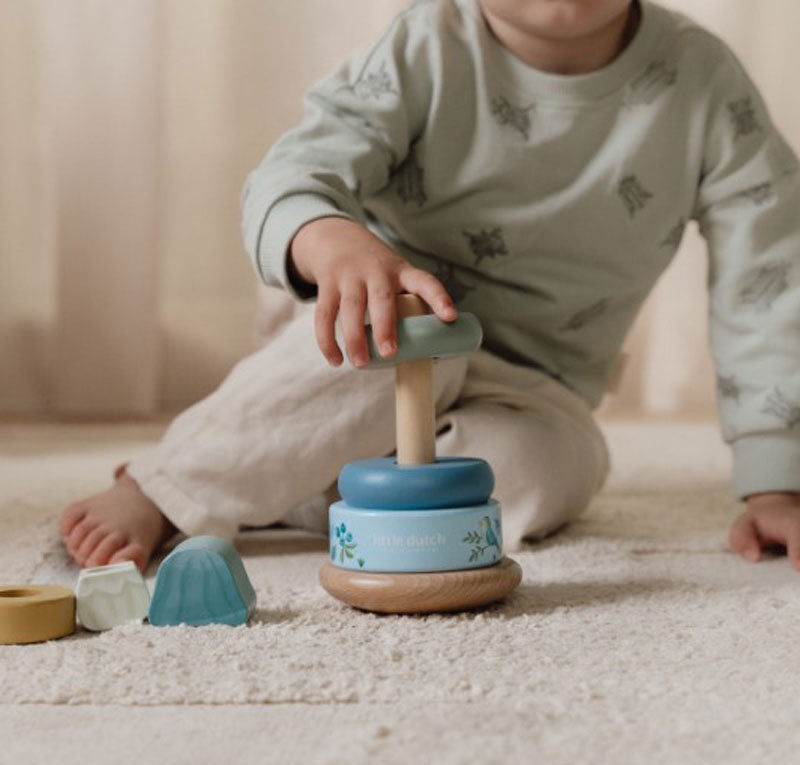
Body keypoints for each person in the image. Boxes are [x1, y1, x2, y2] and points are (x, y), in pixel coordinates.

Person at [60, 0, 800, 573]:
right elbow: (294, 174)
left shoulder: (705, 83)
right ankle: (171, 485)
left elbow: (765, 273)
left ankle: (307, 478)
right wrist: (337, 246)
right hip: (381, 326)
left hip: (535, 383)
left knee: (550, 470)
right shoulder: (427, 45)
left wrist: (774, 479)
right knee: (396, 360)